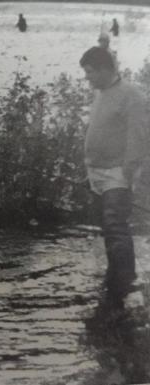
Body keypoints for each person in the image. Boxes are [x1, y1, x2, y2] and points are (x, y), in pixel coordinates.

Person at [79, 47, 149, 302]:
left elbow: (138, 137)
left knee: (115, 226)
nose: (87, 78)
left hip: (117, 174)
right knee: (107, 228)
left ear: (105, 69)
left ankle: (123, 283)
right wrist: (89, 170)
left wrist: (129, 171)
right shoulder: (102, 93)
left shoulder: (131, 95)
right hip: (98, 173)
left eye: (90, 73)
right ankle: (116, 278)